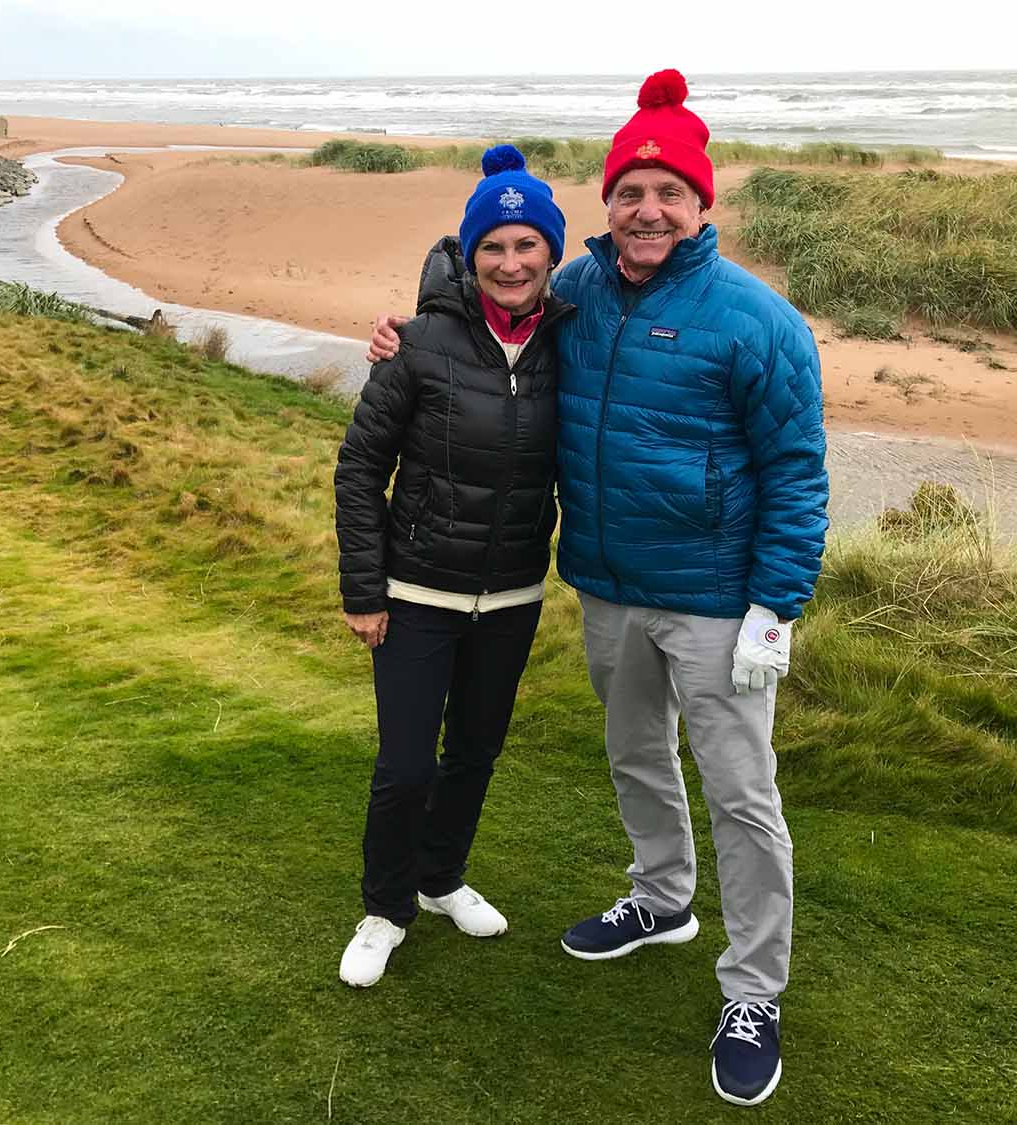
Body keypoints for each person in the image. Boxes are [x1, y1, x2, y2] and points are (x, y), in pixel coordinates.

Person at [367, 70, 828, 1106]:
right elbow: (486, 296)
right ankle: (661, 898)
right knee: (634, 758)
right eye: (631, 191)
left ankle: (753, 988)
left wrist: (776, 604)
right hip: (608, 589)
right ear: (609, 202)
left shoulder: (756, 319)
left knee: (742, 797)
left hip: (717, 601)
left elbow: (798, 471)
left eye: (670, 192)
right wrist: (407, 330)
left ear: (703, 204)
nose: (649, 209)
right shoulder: (577, 293)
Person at [333, 145, 572, 989]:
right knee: (406, 764)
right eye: (493, 247)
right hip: (414, 592)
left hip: (511, 595)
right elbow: (360, 469)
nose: (511, 263)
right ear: (470, 257)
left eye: (527, 245)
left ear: (552, 252)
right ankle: (385, 906)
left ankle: (440, 879)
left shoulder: (571, 343)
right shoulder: (417, 343)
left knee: (474, 751)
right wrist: (363, 589)